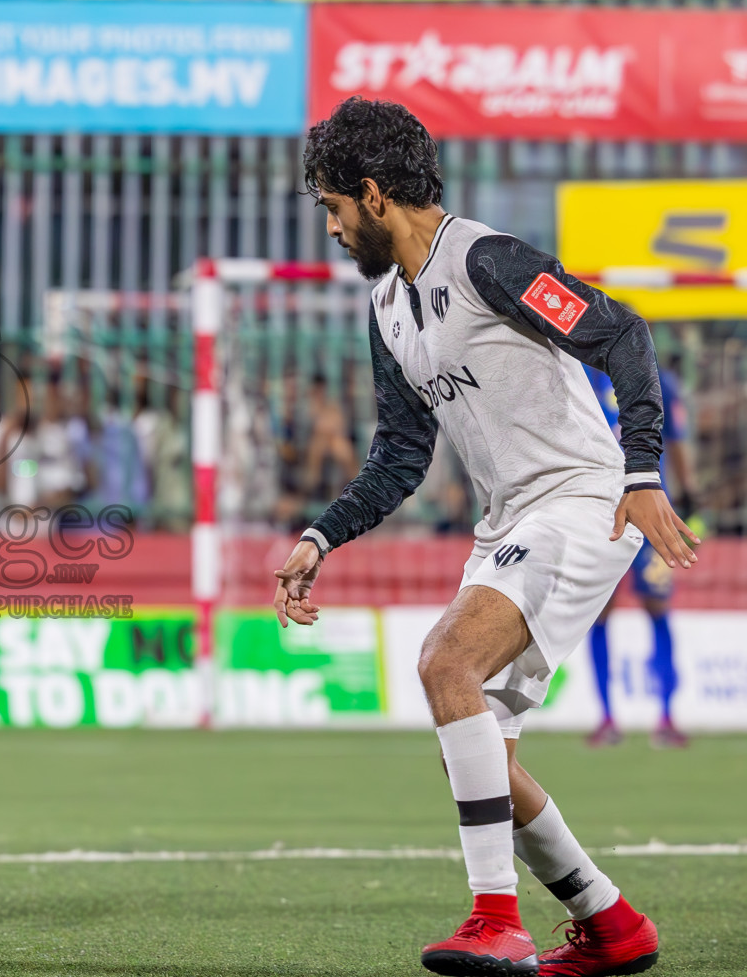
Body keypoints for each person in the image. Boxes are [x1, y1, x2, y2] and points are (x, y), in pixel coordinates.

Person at [273, 98, 695, 977]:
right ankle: (612, 924)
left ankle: (495, 918)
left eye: (333, 207)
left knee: (444, 665)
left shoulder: (488, 260)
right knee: (482, 753)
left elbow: (621, 332)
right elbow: (398, 456)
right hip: (509, 522)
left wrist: (641, 470)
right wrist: (320, 537)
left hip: (583, 500)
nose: (333, 228)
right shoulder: (388, 306)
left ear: (374, 193)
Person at [584, 360, 696, 748]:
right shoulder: (586, 376)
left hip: (639, 508)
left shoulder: (653, 377)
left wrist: (688, 494)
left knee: (649, 607)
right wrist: (690, 492)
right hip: (605, 508)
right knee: (605, 610)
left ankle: (660, 716)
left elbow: (676, 438)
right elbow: (677, 442)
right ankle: (612, 717)